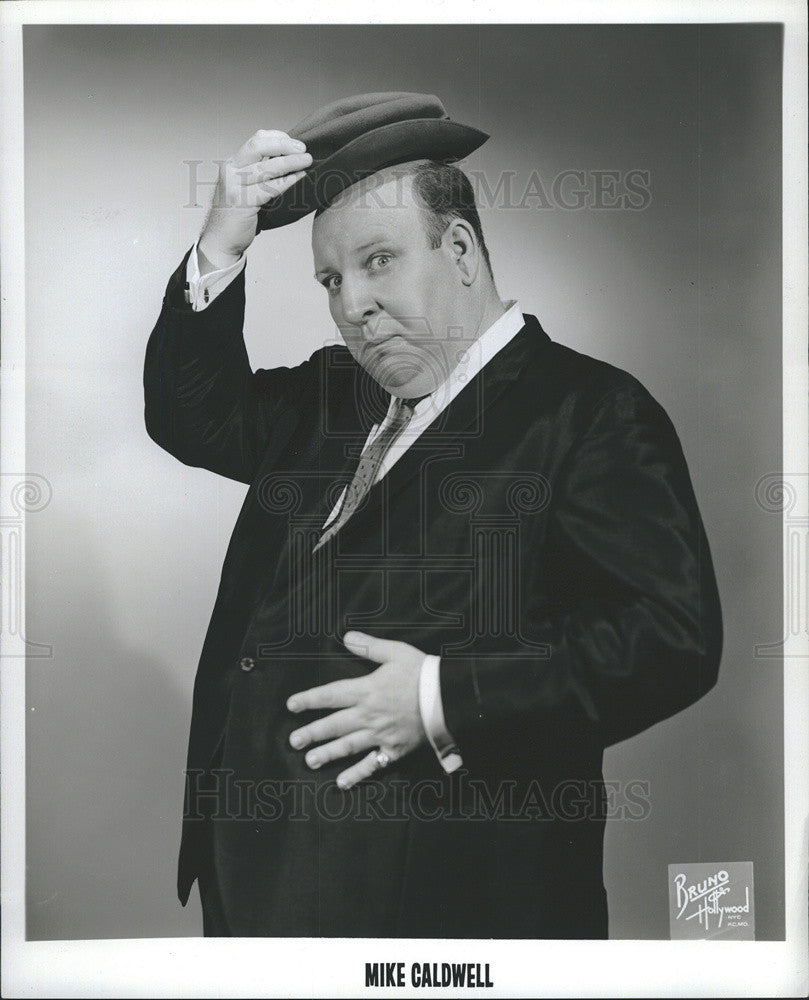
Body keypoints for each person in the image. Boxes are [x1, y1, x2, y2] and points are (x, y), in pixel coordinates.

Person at [144, 92, 722, 938]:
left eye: (378, 261)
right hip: (258, 893)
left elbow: (671, 637)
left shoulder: (589, 410)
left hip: (448, 913)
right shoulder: (328, 397)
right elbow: (189, 415)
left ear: (457, 249)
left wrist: (443, 696)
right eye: (332, 280)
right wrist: (222, 241)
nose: (352, 306)